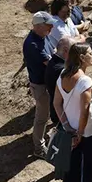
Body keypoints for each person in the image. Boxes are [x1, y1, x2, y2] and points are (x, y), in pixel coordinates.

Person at [53, 43, 92, 182]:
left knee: (75, 162)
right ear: (81, 58)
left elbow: (56, 103)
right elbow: (85, 111)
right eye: (90, 53)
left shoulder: (62, 75)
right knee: (91, 164)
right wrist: (80, 133)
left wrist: (67, 126)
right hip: (90, 129)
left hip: (71, 127)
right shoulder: (84, 81)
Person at [22, 12, 55, 157]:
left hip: (47, 82)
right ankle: (38, 147)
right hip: (41, 85)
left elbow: (53, 52)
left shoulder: (43, 36)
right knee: (42, 116)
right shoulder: (33, 44)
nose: (51, 27)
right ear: (38, 26)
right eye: (48, 25)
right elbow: (50, 62)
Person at [46, 36, 73, 126]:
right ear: (66, 50)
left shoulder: (53, 61)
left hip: (56, 110)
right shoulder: (61, 70)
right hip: (63, 114)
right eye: (74, 50)